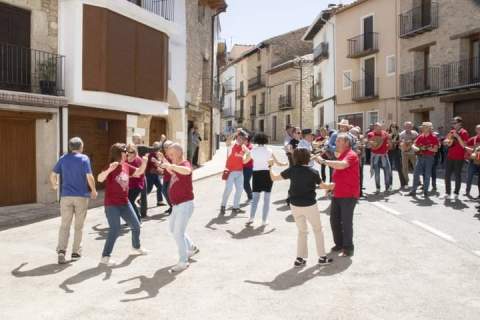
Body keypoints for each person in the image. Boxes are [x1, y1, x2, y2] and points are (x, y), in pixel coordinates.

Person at [270, 148, 334, 267]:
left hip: (295, 205)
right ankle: (322, 257)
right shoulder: (313, 172)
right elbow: (324, 186)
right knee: (318, 230)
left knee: (302, 232)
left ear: (295, 158)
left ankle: (300, 259)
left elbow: (274, 178)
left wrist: (270, 167)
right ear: (307, 158)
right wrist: (333, 185)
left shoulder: (292, 170)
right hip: (310, 204)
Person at [97, 143, 149, 266]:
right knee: (115, 229)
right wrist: (109, 169)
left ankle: (136, 247)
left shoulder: (126, 166)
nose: (127, 154)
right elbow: (100, 178)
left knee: (136, 226)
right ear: (119, 154)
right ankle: (105, 256)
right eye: (125, 152)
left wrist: (145, 161)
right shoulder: (111, 166)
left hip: (125, 203)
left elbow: (139, 172)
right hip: (112, 205)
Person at [50, 137, 97, 264]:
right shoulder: (84, 158)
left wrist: (54, 186)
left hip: (65, 197)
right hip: (81, 196)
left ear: (70, 147)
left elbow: (53, 174)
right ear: (81, 146)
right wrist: (93, 190)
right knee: (78, 226)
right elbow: (89, 176)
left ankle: (61, 251)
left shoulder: (63, 158)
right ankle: (75, 253)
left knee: (65, 225)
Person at [315, 133, 359, 257]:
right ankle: (339, 244)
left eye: (339, 141)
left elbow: (342, 166)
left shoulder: (351, 155)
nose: (336, 143)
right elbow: (339, 172)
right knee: (334, 220)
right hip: (338, 193)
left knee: (346, 222)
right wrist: (331, 187)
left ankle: (348, 248)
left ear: (346, 143)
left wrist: (324, 161)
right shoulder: (342, 155)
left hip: (348, 194)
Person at [159, 143, 199, 273]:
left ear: (178, 153)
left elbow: (187, 171)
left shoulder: (185, 164)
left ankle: (183, 261)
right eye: (168, 155)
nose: (169, 157)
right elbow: (172, 170)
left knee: (178, 233)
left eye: (171, 154)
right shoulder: (176, 166)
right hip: (176, 205)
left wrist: (170, 165)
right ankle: (191, 247)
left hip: (185, 204)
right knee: (173, 229)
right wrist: (164, 162)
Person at [246, 133, 288, 227]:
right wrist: (285, 164)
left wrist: (246, 153)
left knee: (255, 198)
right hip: (267, 174)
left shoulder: (252, 150)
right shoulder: (269, 150)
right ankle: (264, 220)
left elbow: (244, 161)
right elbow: (278, 163)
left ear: (256, 140)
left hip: (256, 175)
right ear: (265, 140)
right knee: (266, 198)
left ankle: (251, 218)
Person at [220, 130, 252, 215]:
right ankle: (223, 206)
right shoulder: (232, 145)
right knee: (228, 189)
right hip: (230, 171)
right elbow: (227, 141)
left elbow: (247, 158)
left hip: (240, 172)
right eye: (241, 138)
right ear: (238, 138)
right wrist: (235, 132)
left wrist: (248, 153)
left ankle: (236, 207)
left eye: (244, 139)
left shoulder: (243, 148)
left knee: (239, 190)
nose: (243, 140)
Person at [407, 122, 439, 197]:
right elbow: (413, 145)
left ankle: (425, 191)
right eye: (422, 127)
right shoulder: (421, 136)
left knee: (427, 174)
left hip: (429, 158)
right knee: (416, 174)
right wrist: (417, 148)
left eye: (424, 127)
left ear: (429, 128)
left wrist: (429, 148)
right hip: (420, 157)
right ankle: (413, 191)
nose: (422, 128)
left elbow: (436, 150)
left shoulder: (434, 137)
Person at [443, 116, 469, 199]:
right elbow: (446, 142)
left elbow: (464, 146)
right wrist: (446, 142)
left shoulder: (464, 132)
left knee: (457, 175)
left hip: (459, 157)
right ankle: (447, 193)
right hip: (450, 156)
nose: (453, 124)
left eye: (454, 123)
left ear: (459, 123)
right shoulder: (451, 132)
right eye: (452, 123)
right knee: (447, 175)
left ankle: (456, 193)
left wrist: (457, 136)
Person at [131, 133, 152, 218]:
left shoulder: (142, 147)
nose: (139, 140)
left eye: (140, 138)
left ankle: (143, 213)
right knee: (131, 196)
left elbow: (153, 149)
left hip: (141, 174)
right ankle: (132, 213)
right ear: (133, 140)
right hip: (133, 175)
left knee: (143, 194)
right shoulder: (131, 148)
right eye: (138, 139)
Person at [367, 122, 391, 193]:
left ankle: (387, 187)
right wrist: (371, 143)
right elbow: (368, 145)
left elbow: (389, 144)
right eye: (377, 128)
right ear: (374, 128)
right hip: (375, 156)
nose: (378, 129)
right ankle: (378, 188)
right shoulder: (370, 134)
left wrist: (388, 145)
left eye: (380, 128)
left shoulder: (385, 134)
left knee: (387, 172)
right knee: (377, 173)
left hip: (384, 155)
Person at [126, 144, 145, 222]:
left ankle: (138, 219)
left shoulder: (138, 160)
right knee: (127, 202)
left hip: (137, 185)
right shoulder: (126, 160)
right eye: (127, 151)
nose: (129, 153)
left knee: (130, 201)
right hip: (128, 185)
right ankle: (132, 219)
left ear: (135, 152)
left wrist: (128, 176)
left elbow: (139, 174)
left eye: (131, 151)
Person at [399, 122, 419, 188]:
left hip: (413, 153)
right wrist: (404, 144)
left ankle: (418, 181)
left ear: (412, 126)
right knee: (405, 168)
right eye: (407, 126)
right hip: (404, 153)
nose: (408, 127)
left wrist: (413, 143)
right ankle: (406, 182)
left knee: (416, 167)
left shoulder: (415, 133)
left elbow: (418, 141)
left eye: (409, 126)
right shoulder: (401, 134)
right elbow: (400, 144)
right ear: (404, 127)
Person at [146, 141, 165, 207]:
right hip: (150, 174)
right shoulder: (151, 154)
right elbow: (154, 166)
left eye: (158, 148)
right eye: (157, 148)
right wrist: (162, 172)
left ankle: (159, 201)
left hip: (155, 174)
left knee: (160, 186)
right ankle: (141, 199)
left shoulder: (157, 154)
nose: (158, 149)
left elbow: (159, 164)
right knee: (149, 188)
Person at [388, 123, 407, 188]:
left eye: (394, 127)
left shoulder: (400, 135)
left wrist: (398, 142)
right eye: (392, 127)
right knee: (389, 168)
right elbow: (388, 143)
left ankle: (403, 183)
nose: (393, 128)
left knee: (399, 168)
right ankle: (390, 184)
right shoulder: (388, 135)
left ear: (397, 128)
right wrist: (392, 140)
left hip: (397, 151)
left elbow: (402, 143)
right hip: (389, 152)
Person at [464, 124, 480, 198]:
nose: (479, 130)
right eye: (478, 129)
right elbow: (466, 147)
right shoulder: (472, 139)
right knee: (469, 177)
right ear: (476, 130)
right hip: (472, 161)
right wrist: (474, 148)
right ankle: (467, 191)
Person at [161, 140, 174, 215]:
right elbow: (163, 165)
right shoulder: (166, 155)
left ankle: (173, 207)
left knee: (169, 192)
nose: (165, 148)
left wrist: (163, 159)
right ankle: (171, 206)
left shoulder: (173, 155)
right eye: (164, 147)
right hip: (166, 177)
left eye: (167, 147)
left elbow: (171, 165)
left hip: (171, 177)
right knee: (164, 191)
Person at [243, 134, 254, 202]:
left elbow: (246, 157)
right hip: (243, 167)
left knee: (245, 183)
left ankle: (251, 196)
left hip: (249, 168)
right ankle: (250, 195)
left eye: (245, 139)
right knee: (244, 183)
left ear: (248, 140)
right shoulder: (244, 146)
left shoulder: (250, 147)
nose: (243, 140)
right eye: (243, 139)